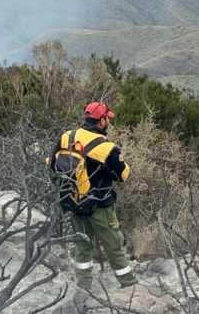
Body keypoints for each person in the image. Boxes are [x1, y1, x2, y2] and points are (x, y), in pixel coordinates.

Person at [54, 101, 137, 290]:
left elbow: (53, 164)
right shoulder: (107, 148)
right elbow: (123, 175)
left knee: (83, 245)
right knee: (114, 245)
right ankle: (129, 284)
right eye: (107, 118)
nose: (109, 121)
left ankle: (83, 285)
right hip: (100, 206)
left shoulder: (67, 137)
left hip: (73, 201)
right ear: (101, 121)